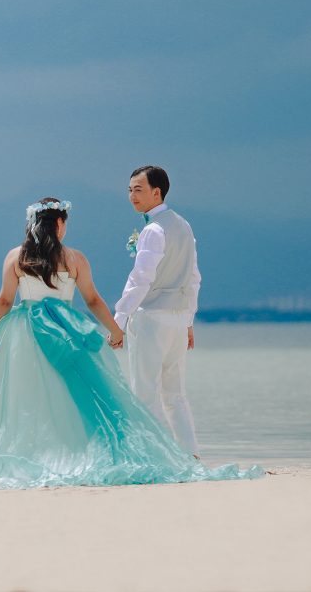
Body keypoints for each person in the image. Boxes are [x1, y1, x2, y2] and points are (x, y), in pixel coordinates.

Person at [0, 197, 258, 492]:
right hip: (68, 330)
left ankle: (36, 456)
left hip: (26, 332)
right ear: (60, 223)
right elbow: (94, 300)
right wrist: (116, 330)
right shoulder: (74, 258)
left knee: (31, 401)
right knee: (80, 397)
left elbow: (4, 301)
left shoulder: (16, 256)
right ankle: (86, 453)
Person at [115, 165, 201, 456]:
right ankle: (190, 455)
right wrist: (188, 320)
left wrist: (120, 318)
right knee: (175, 395)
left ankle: (157, 457)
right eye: (129, 190)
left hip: (151, 318)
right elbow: (194, 277)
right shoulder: (184, 225)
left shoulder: (153, 230)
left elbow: (141, 279)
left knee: (145, 393)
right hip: (177, 320)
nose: (131, 196)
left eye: (138, 190)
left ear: (157, 192)